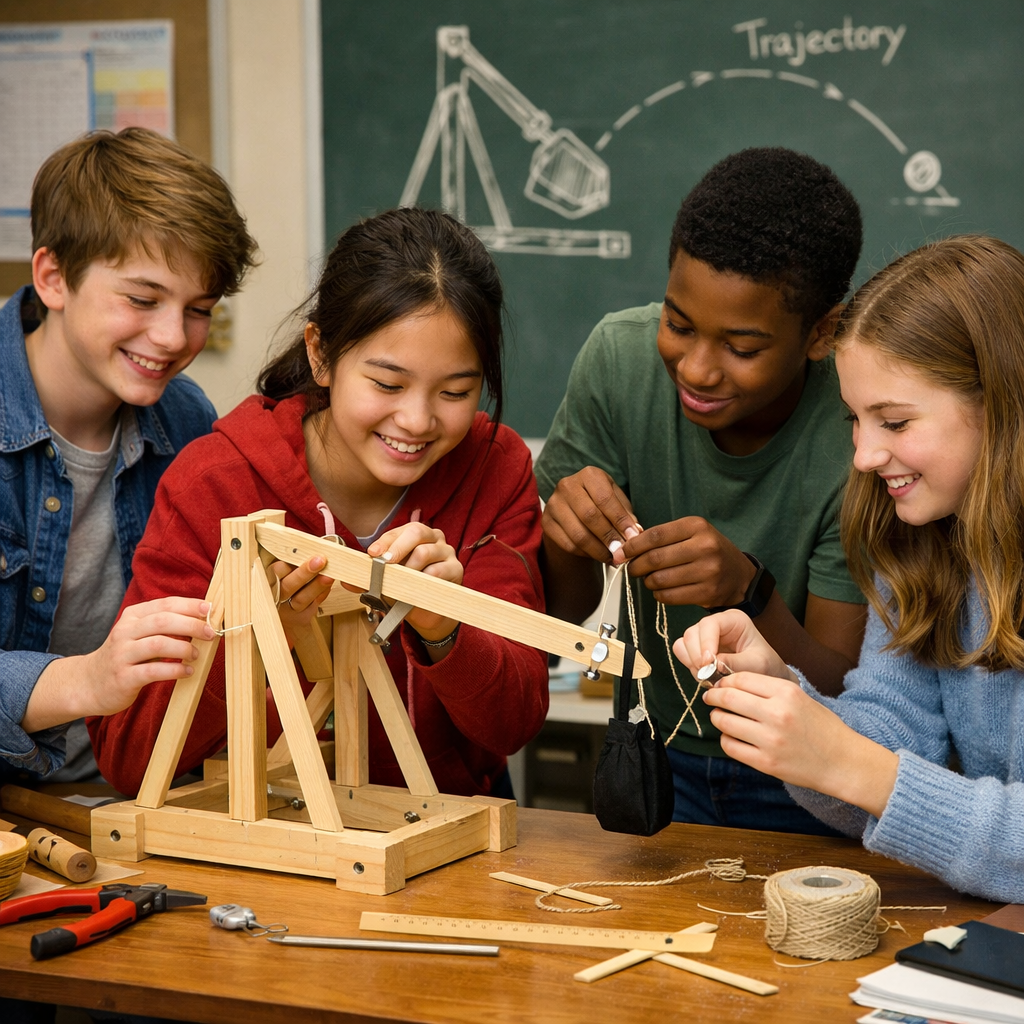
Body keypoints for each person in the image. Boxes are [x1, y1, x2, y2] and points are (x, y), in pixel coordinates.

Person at [89, 207, 549, 799]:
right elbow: (129, 755)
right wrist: (254, 639)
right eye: (386, 384)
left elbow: (515, 721)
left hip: (445, 831)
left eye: (456, 391)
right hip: (268, 841)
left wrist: (443, 627)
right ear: (320, 354)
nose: (416, 420)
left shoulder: (496, 468)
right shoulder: (215, 483)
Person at [676, 235, 1024, 901]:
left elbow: (878, 776)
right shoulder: (921, 541)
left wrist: (850, 764)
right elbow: (888, 746)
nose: (864, 456)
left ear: (1002, 407)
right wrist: (784, 692)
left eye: (894, 421)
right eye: (855, 421)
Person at [535, 148, 868, 834]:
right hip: (652, 754)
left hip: (805, 774)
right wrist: (564, 536)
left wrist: (749, 590)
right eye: (678, 324)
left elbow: (842, 686)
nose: (696, 367)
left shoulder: (859, 430)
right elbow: (555, 616)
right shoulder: (617, 360)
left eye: (741, 347)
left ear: (822, 333)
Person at [0, 128, 259, 783]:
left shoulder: (188, 419)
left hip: (132, 810)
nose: (173, 338)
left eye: (199, 310)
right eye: (142, 300)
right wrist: (87, 679)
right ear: (53, 277)